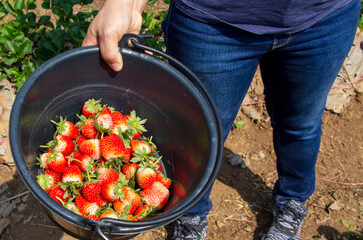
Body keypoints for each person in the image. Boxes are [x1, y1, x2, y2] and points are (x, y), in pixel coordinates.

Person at [82, 0, 361, 239]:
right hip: (212, 24)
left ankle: (293, 201)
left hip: (324, 19)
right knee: (198, 135)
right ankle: (190, 215)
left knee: (300, 124)